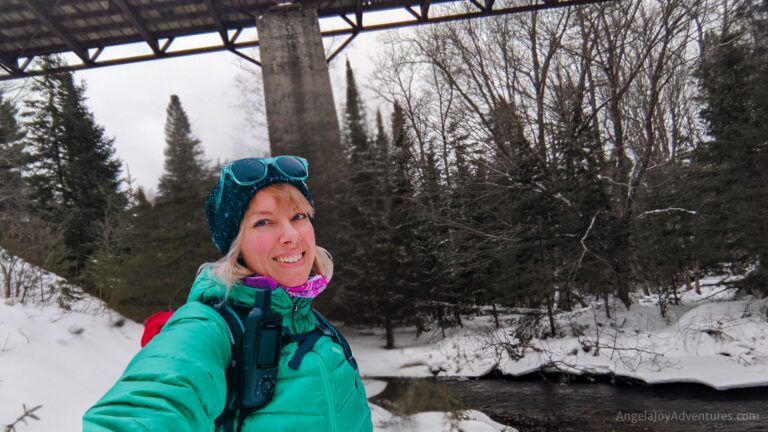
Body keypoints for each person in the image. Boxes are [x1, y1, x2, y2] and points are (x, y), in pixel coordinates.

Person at [83, 156, 373, 431]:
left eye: (298, 216)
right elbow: (150, 405)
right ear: (237, 246)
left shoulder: (311, 320)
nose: (291, 235)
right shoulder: (213, 326)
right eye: (263, 222)